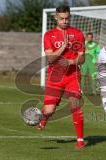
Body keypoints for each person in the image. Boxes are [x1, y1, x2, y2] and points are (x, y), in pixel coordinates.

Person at [37, 5, 86, 149]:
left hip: (73, 76)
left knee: (75, 106)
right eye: (61, 19)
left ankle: (80, 140)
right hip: (55, 76)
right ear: (56, 18)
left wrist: (72, 61)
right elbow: (51, 58)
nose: (64, 21)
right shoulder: (49, 35)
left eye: (67, 18)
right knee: (50, 110)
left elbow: (82, 58)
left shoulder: (77, 34)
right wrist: (63, 47)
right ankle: (44, 118)